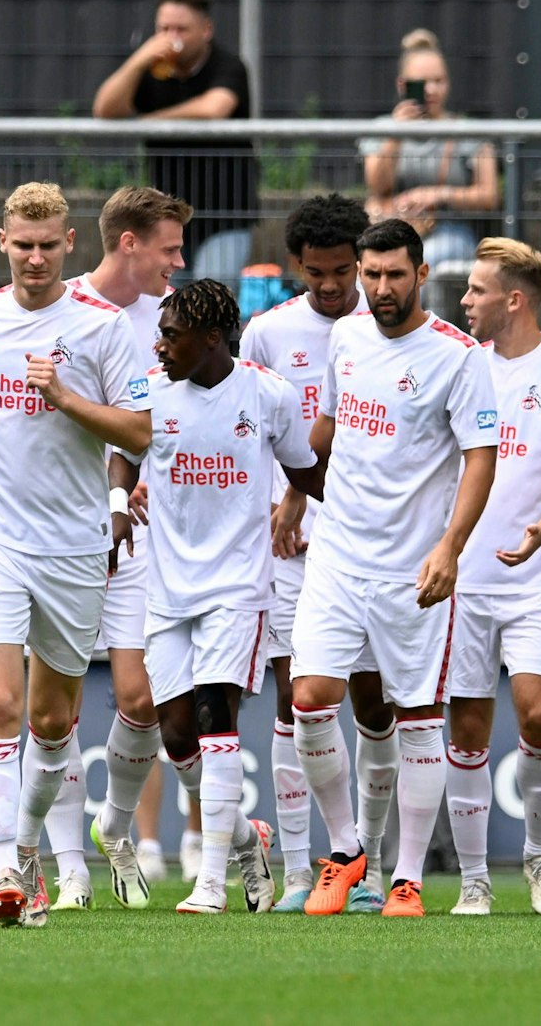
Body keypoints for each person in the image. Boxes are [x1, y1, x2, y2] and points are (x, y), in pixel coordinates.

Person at [0, 182, 152, 928]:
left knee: (53, 721)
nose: (33, 257)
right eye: (21, 244)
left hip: (73, 543)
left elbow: (141, 431)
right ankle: (4, 871)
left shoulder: (103, 326)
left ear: (70, 245)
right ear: (3, 241)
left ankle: (26, 845)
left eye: (47, 245)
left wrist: (63, 397)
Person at [274, 215, 499, 918]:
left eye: (394, 275)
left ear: (423, 274)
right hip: (338, 553)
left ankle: (406, 876)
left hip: (411, 566)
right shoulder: (344, 338)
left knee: (417, 716)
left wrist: (449, 548)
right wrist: (290, 495)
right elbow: (330, 429)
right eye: (370, 275)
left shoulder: (459, 356)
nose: (379, 288)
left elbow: (480, 458)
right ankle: (345, 849)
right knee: (310, 699)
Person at [29, 185, 189, 913]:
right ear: (130, 244)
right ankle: (62, 866)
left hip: (140, 535)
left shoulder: (174, 321)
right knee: (51, 711)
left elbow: (166, 421)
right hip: (60, 533)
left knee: (141, 695)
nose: (177, 262)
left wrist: (140, 486)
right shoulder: (56, 313)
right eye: (169, 247)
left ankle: (116, 830)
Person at [140, 278, 321, 913]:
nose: (159, 345)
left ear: (211, 339)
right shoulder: (151, 391)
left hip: (238, 588)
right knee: (177, 737)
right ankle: (247, 839)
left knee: (218, 726)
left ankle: (209, 882)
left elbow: (307, 471)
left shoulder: (268, 395)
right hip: (165, 592)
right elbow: (121, 451)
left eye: (171, 335)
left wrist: (303, 505)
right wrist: (120, 495)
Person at [444, 237, 541, 917]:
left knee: (538, 716)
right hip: (462, 578)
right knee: (467, 729)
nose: (464, 300)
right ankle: (475, 877)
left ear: (513, 299)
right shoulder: (456, 363)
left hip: (538, 579)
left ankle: (540, 856)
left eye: (477, 290)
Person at [237, 193, 370, 911]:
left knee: (377, 709)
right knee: (296, 702)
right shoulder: (265, 333)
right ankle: (296, 871)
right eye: (315, 271)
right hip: (291, 549)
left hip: (373, 542)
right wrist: (280, 500)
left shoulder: (382, 328)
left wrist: (303, 487)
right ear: (296, 265)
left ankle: (373, 868)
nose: (329, 285)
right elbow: (251, 429)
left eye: (341, 270)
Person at [91, 0, 256, 301]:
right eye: (163, 29)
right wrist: (139, 60)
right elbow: (105, 108)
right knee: (165, 300)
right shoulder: (152, 68)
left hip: (225, 214)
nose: (171, 37)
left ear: (206, 30)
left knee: (213, 294)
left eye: (181, 29)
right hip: (167, 216)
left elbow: (214, 108)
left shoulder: (228, 65)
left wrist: (152, 120)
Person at [361, 30, 499, 267]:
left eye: (439, 81)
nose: (432, 90)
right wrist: (396, 134)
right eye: (422, 83)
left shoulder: (470, 131)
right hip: (390, 229)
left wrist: (437, 194)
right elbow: (377, 185)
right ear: (403, 85)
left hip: (450, 232)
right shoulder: (383, 128)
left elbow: (489, 196)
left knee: (426, 263)